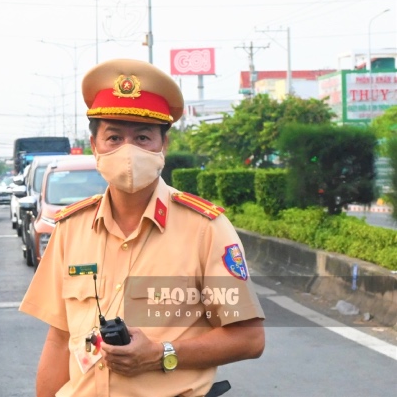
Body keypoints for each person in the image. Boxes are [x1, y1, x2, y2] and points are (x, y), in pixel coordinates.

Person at [19, 59, 265, 397]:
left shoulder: (205, 229)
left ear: (164, 145)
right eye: (114, 137)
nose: (128, 151)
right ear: (95, 146)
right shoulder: (71, 228)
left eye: (143, 137)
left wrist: (161, 354)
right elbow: (59, 338)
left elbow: (248, 338)